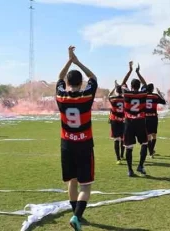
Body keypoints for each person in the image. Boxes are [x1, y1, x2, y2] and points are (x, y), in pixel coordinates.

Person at [56, 46, 98, 231]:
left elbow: (59, 78)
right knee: (86, 186)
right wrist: (77, 61)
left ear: (67, 82)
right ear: (81, 83)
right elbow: (93, 78)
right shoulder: (86, 96)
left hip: (66, 144)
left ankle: (76, 215)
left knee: (72, 181)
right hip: (84, 143)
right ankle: (76, 217)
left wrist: (69, 60)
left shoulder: (61, 96)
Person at [120, 62, 149, 177]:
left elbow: (122, 83)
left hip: (129, 123)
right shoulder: (143, 94)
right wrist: (138, 72)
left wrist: (130, 70)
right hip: (140, 122)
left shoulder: (126, 93)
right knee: (145, 143)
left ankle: (130, 170)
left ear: (131, 86)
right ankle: (140, 166)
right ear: (139, 86)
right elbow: (145, 84)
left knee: (129, 147)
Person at [145, 83, 167, 157]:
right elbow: (164, 102)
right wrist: (160, 93)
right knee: (154, 135)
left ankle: (151, 151)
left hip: (146, 118)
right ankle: (151, 151)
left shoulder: (143, 96)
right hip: (154, 117)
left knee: (148, 136)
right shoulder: (155, 96)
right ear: (152, 89)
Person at [108, 80, 125, 164]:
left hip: (115, 120)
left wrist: (114, 87)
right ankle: (122, 155)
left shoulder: (113, 98)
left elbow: (109, 95)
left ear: (116, 91)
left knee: (116, 139)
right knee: (123, 138)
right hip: (123, 120)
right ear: (121, 91)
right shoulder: (125, 99)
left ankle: (118, 159)